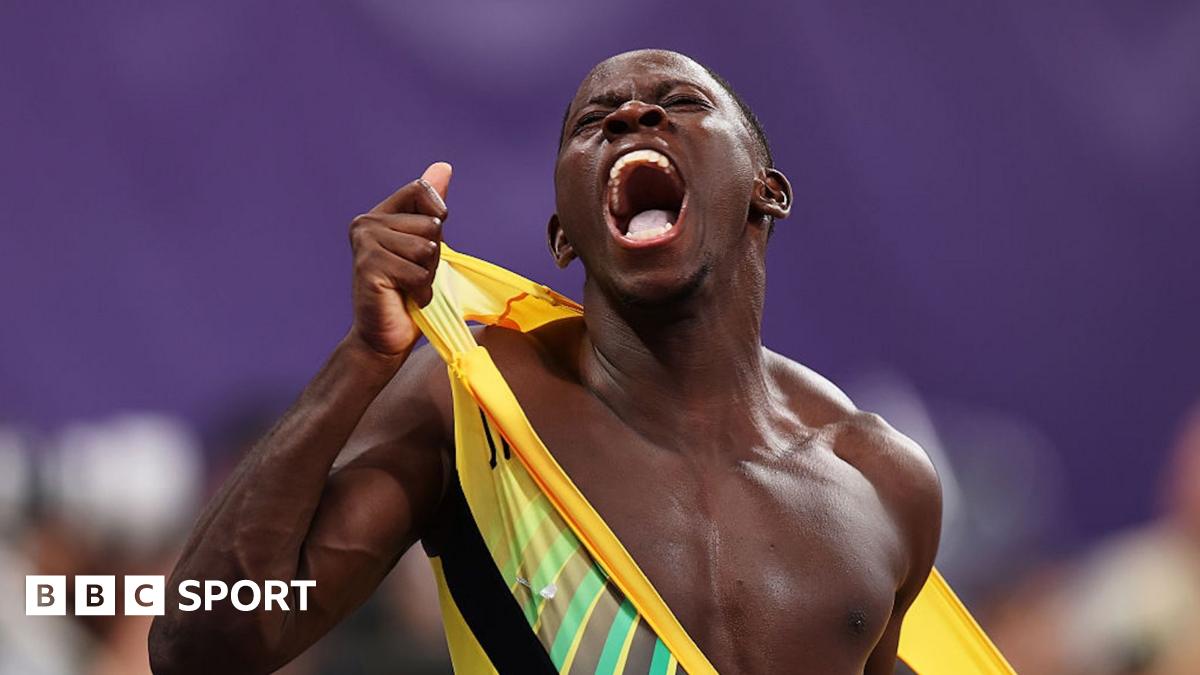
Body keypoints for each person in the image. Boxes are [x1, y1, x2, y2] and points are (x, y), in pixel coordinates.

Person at [149, 49, 942, 674]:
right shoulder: (479, 407)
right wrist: (364, 357)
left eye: (681, 103)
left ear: (765, 192)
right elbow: (202, 648)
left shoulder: (882, 479)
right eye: (596, 121)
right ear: (565, 237)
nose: (634, 113)